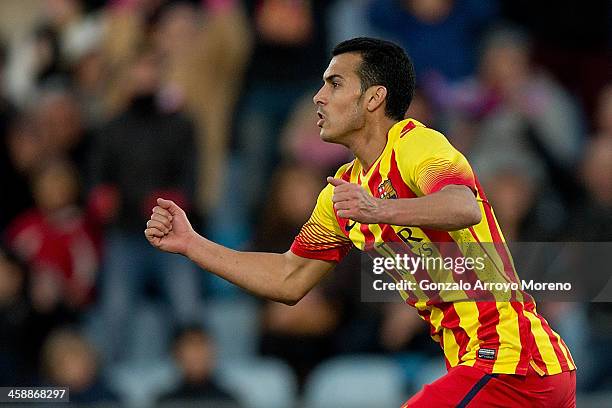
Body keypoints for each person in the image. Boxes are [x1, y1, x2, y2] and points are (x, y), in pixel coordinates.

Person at [145, 38, 576, 407]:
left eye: (334, 83)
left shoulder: (415, 144)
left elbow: (464, 205)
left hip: (511, 362)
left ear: (374, 98)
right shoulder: (341, 193)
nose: (318, 96)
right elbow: (288, 279)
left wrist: (379, 211)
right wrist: (192, 244)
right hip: (512, 368)